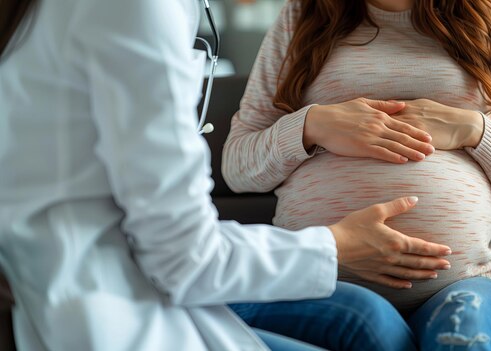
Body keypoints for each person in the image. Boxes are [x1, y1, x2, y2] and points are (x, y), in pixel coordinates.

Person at [0, 0, 456, 350]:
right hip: (112, 302)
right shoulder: (138, 12)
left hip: (118, 273)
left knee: (371, 321)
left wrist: (476, 133)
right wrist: (337, 242)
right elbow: (190, 252)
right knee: (372, 328)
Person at [222, 0, 491, 350]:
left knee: (463, 340)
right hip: (321, 279)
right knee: (373, 327)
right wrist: (310, 125)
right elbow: (238, 167)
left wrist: (475, 129)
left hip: (465, 283)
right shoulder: (301, 16)